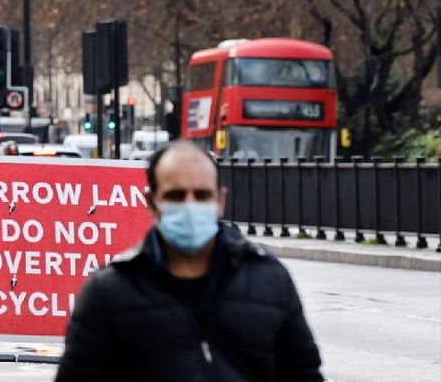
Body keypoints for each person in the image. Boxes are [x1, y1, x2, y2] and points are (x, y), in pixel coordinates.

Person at [55, 141, 323, 381]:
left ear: (220, 201)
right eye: (176, 196)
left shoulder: (270, 281)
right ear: (151, 203)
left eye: (202, 195)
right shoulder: (108, 292)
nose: (190, 206)